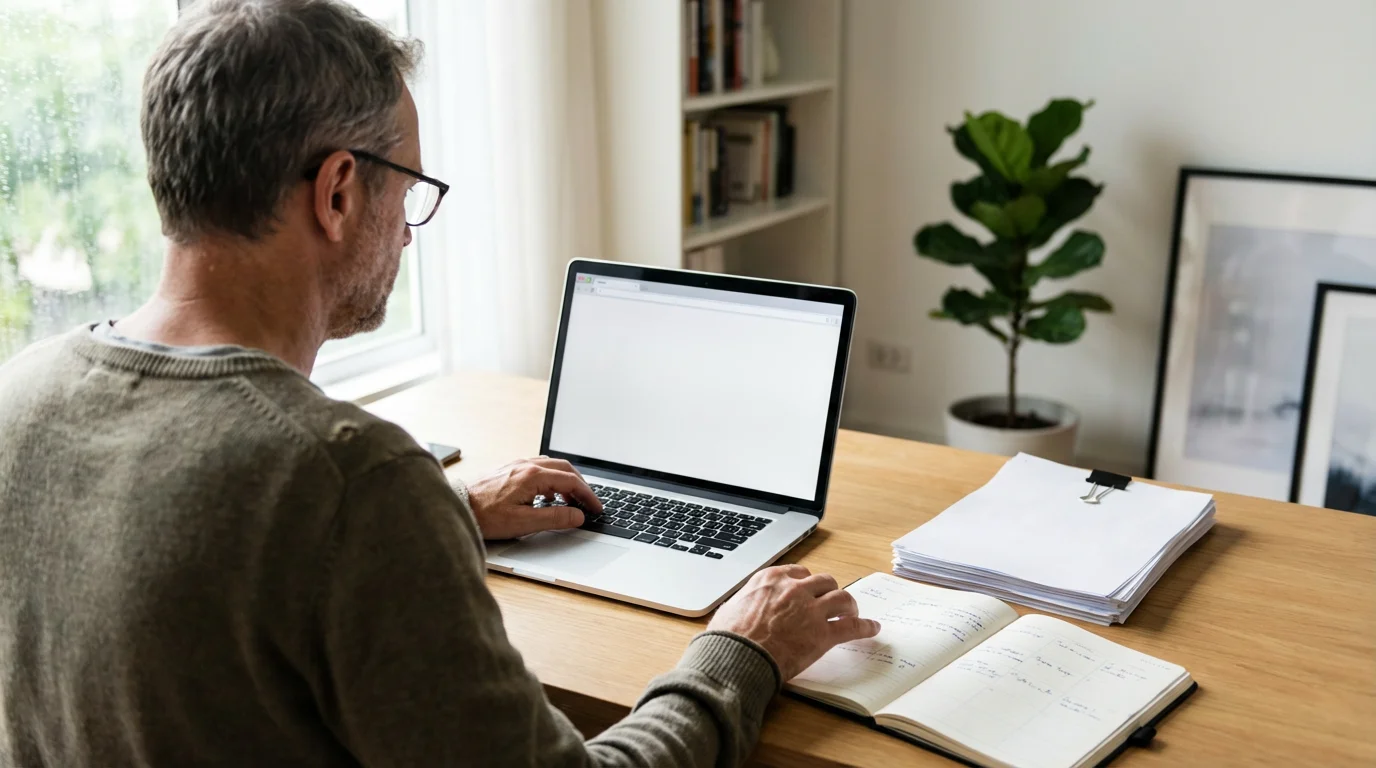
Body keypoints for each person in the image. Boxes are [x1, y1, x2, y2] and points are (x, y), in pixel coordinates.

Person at [0, 1, 880, 766]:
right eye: (410, 187)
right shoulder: (350, 479)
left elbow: (209, 563)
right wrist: (740, 650)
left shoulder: (22, 396)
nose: (411, 231)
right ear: (339, 191)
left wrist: (448, 511)